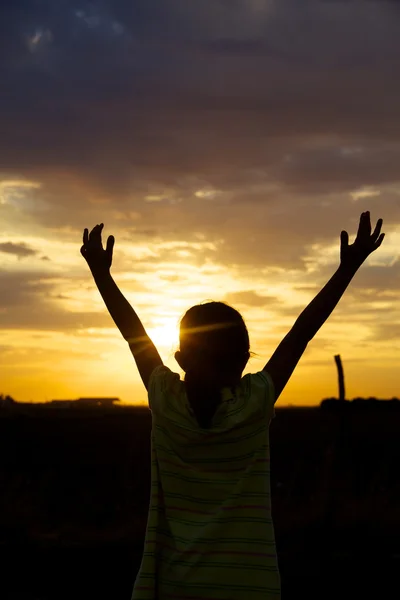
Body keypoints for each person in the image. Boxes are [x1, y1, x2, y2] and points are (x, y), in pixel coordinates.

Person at [81, 211, 385, 599]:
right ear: (244, 360)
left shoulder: (165, 399)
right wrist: (349, 267)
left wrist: (101, 273)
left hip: (177, 587)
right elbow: (300, 335)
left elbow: (132, 334)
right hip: (251, 587)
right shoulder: (255, 404)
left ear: (180, 359)